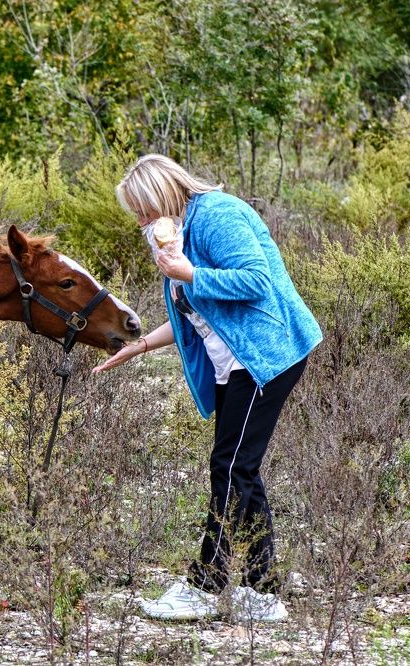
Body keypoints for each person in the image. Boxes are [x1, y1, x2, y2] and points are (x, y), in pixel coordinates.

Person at [93, 154, 322, 622]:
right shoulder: (173, 234)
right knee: (243, 470)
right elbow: (189, 312)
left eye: (141, 208)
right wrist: (136, 348)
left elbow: (256, 281)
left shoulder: (217, 216)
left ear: (161, 194)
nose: (138, 219)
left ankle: (207, 586)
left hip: (265, 355)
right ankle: (263, 590)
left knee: (230, 466)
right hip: (230, 363)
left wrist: (188, 273)